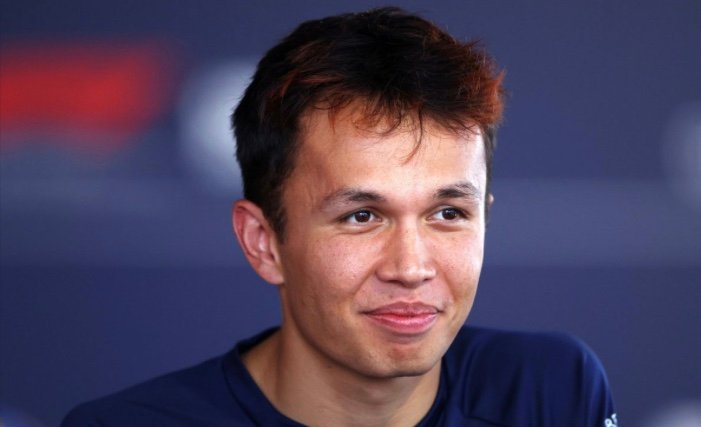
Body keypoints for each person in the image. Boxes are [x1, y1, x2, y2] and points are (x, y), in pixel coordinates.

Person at [62, 7, 617, 427]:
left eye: (448, 213)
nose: (411, 268)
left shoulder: (551, 391)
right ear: (263, 242)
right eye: (362, 216)